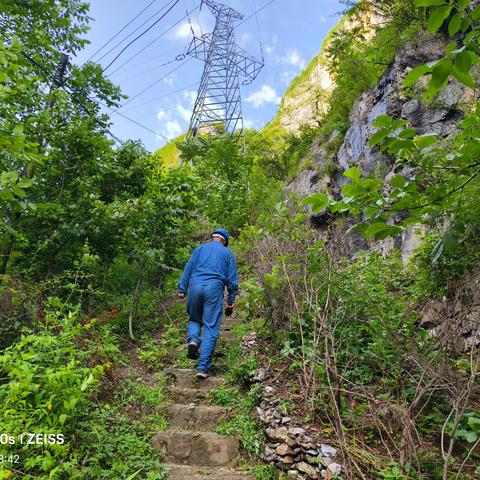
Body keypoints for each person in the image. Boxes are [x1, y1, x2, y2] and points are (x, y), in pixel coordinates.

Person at [178, 228, 238, 379]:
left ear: (213, 238)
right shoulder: (227, 253)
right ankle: (202, 367)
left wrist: (182, 288)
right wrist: (231, 300)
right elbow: (231, 279)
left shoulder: (199, 249)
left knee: (194, 319)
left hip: (195, 286)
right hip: (213, 288)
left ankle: (193, 340)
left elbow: (188, 268)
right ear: (224, 241)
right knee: (211, 327)